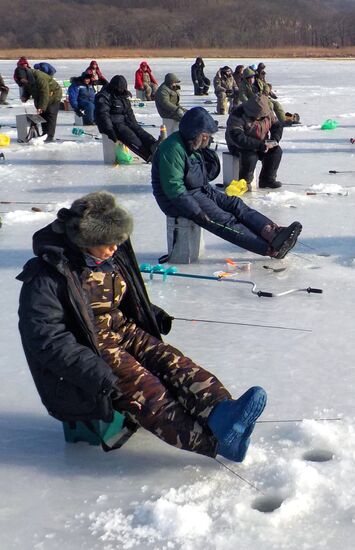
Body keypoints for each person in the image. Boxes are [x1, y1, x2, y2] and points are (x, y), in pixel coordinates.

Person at [17, 190, 267, 463]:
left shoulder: (110, 257)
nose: (115, 248)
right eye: (108, 243)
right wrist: (95, 372)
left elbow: (124, 300)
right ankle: (215, 443)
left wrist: (153, 313)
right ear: (85, 240)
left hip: (123, 330)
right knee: (150, 392)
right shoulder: (47, 275)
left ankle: (223, 414)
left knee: (175, 363)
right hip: (90, 347)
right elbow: (47, 339)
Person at [152, 106, 302, 258]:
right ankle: (271, 249)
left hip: (199, 190)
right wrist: (196, 212)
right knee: (225, 220)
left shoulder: (191, 142)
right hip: (177, 200)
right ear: (199, 134)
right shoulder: (172, 149)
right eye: (206, 136)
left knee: (236, 204)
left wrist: (208, 159)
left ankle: (274, 233)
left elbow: (201, 177)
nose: (208, 139)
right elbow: (174, 189)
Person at [226, 94, 284, 190]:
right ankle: (244, 182)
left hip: (262, 142)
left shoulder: (268, 111)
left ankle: (267, 179)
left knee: (276, 151)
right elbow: (237, 137)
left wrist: (274, 140)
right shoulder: (238, 113)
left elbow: (277, 126)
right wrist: (259, 145)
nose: (259, 118)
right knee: (250, 156)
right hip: (238, 145)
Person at [95, 75, 157, 162]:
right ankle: (148, 155)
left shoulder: (122, 95)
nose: (121, 90)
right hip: (113, 125)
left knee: (139, 131)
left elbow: (129, 111)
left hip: (125, 121)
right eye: (119, 89)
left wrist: (134, 124)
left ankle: (154, 145)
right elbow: (103, 115)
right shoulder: (104, 96)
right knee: (130, 136)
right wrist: (110, 131)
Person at [13, 66, 62, 143]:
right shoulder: (26, 79)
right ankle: (44, 134)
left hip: (53, 93)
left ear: (26, 75)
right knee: (42, 114)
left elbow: (44, 92)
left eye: (24, 80)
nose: (24, 81)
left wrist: (41, 107)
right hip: (39, 94)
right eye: (22, 81)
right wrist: (25, 96)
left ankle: (49, 136)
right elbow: (27, 88)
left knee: (50, 113)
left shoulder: (39, 77)